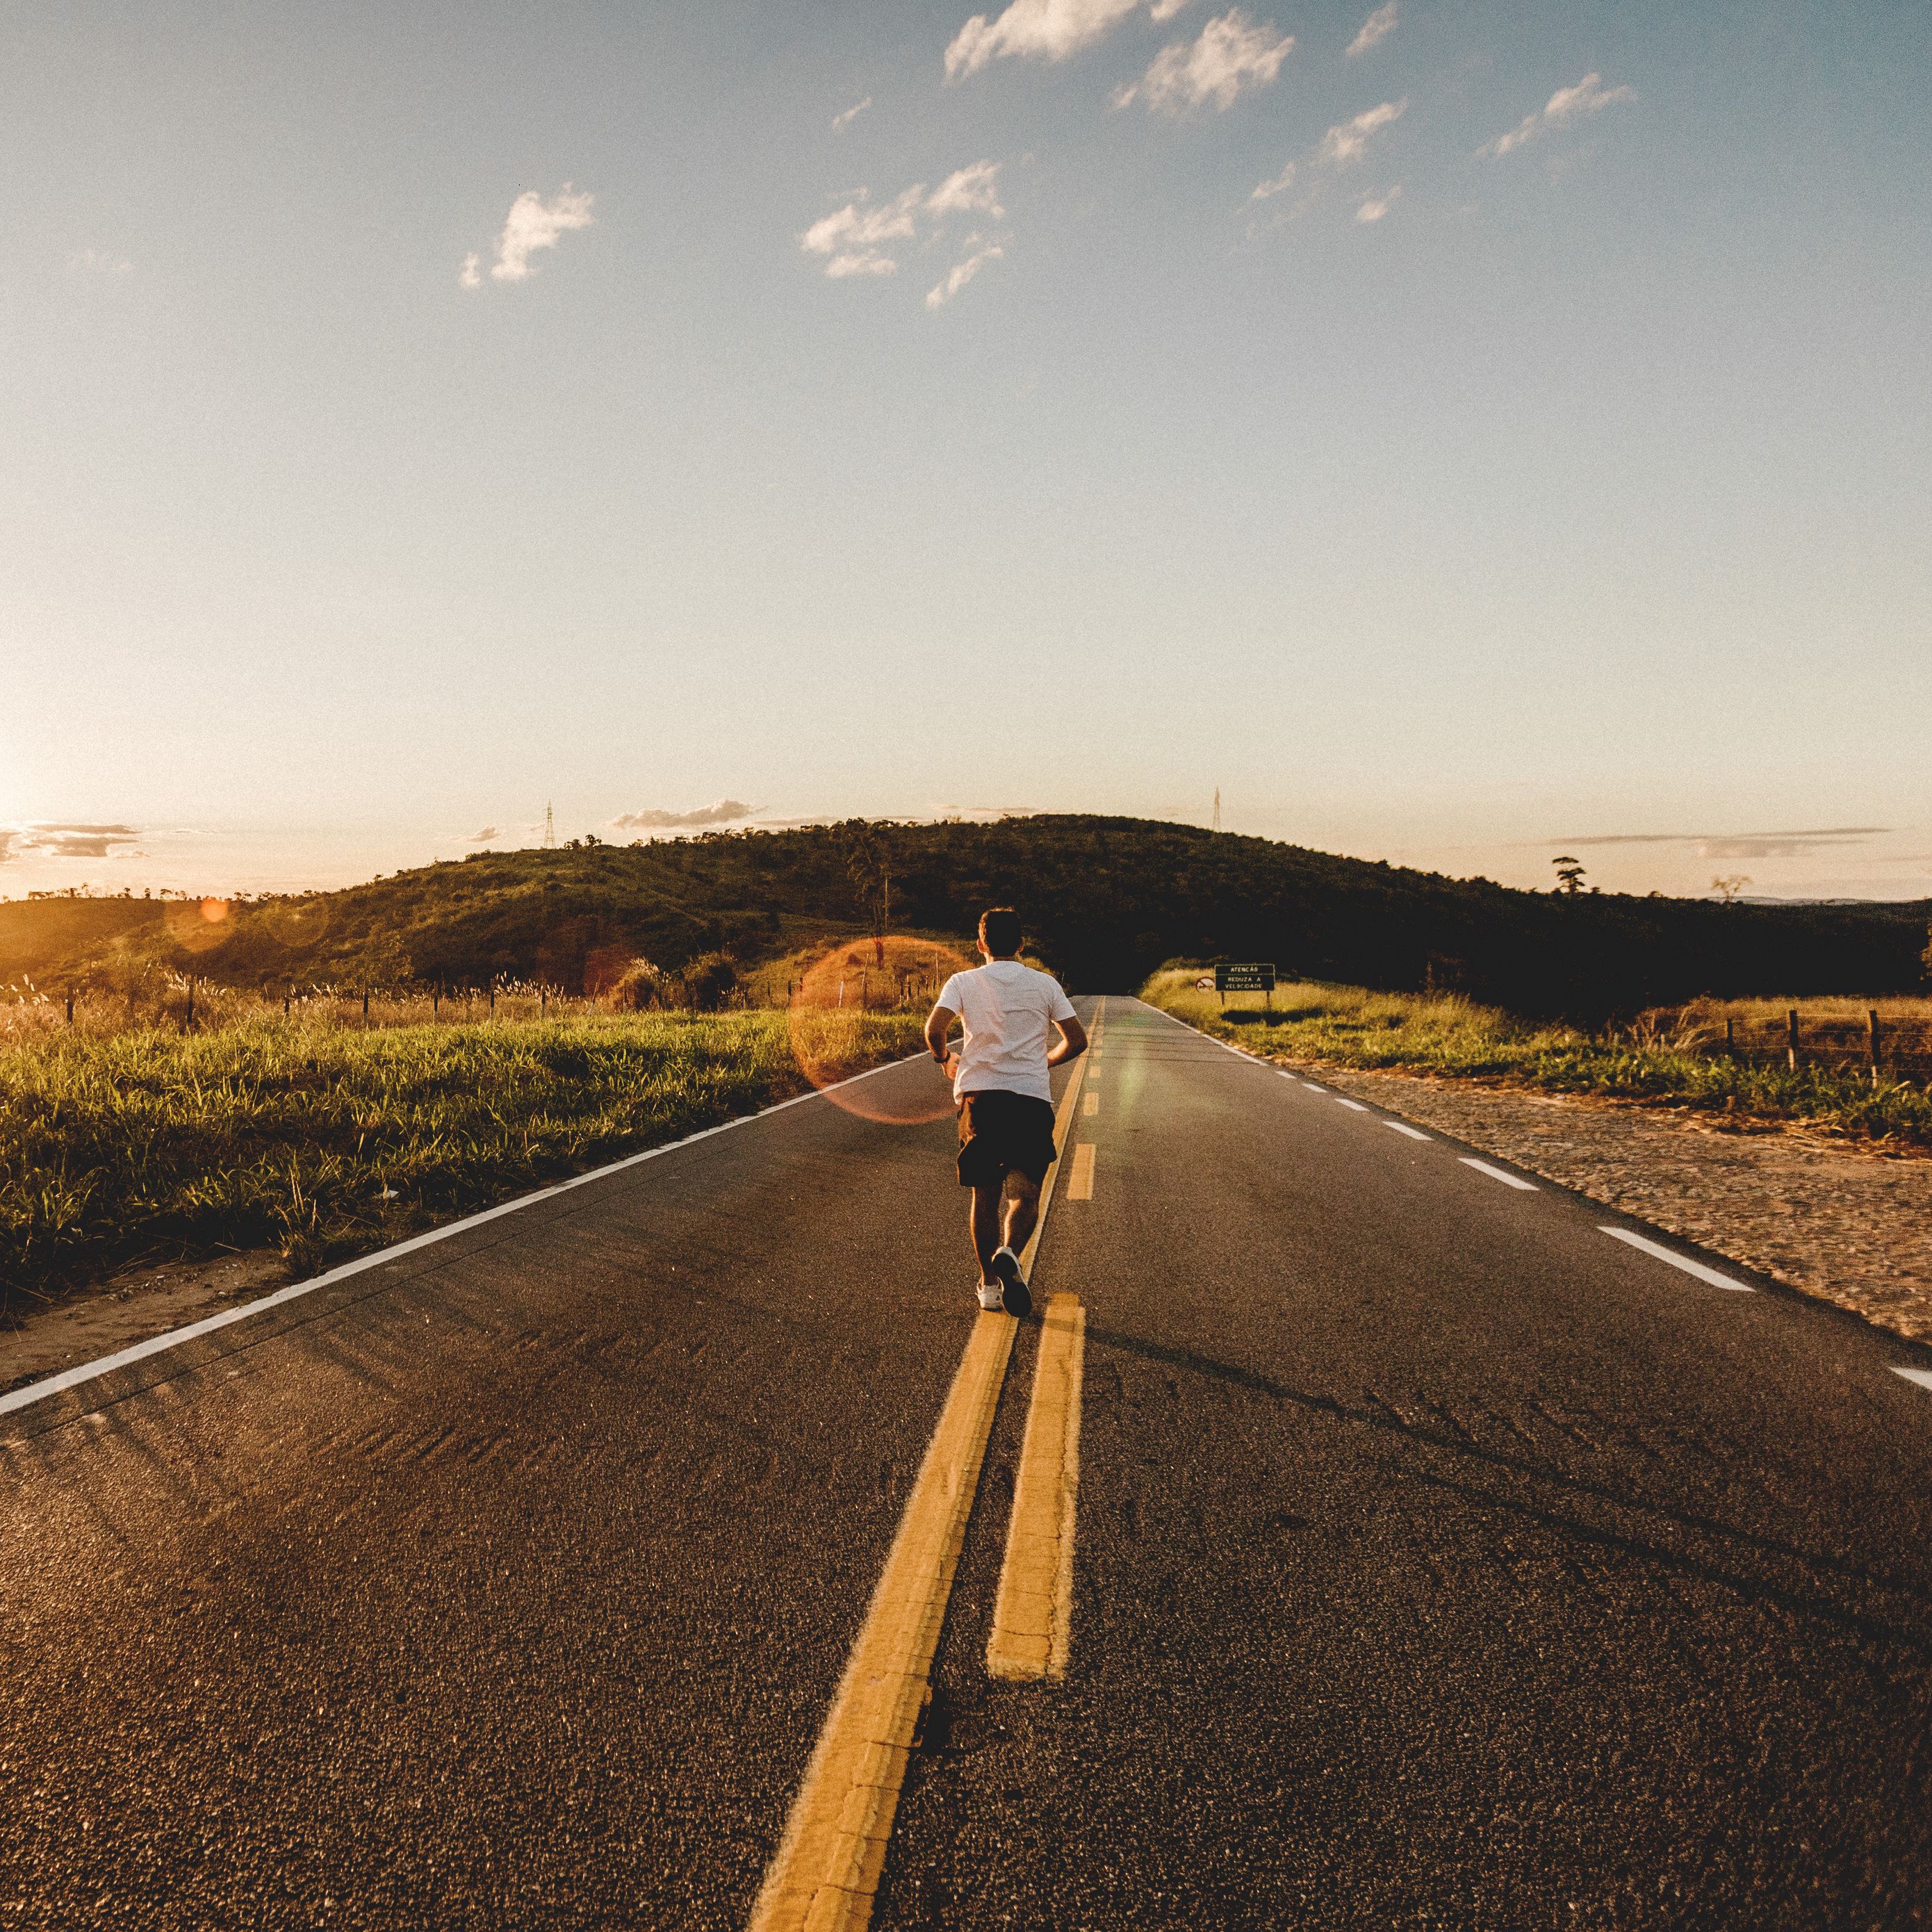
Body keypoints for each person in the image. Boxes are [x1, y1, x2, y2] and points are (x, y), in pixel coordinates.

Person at [924, 908, 1088, 1316]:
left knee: (985, 1195)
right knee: (1026, 1193)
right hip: (1029, 1100)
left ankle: (989, 1287)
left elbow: (934, 1029)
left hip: (981, 1100)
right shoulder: (1045, 984)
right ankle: (1011, 1253)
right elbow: (1077, 1040)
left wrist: (945, 1058)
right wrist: (1045, 1061)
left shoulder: (963, 981)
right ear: (1021, 944)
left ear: (980, 944)